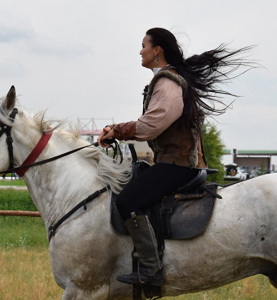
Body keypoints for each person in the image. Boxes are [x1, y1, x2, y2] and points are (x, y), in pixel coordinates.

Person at [98, 28, 253, 287]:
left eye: (144, 45)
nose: (140, 50)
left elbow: (150, 126)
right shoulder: (168, 79)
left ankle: (150, 270)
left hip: (178, 165)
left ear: (156, 50)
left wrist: (117, 130)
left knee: (126, 201)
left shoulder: (168, 83)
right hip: (173, 163)